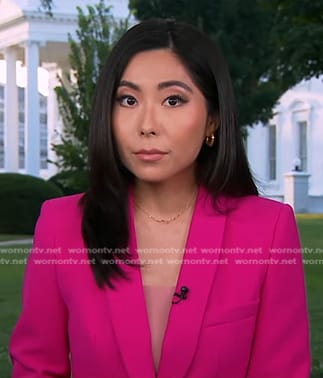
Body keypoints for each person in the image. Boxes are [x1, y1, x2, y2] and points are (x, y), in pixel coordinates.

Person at [9, 18, 311, 378]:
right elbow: (36, 369)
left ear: (212, 120)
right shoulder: (61, 226)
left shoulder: (268, 230)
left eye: (173, 100)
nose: (147, 124)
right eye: (128, 99)